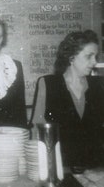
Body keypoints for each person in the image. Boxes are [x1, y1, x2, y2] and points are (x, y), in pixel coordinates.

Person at [31, 30, 104, 169]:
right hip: (60, 169)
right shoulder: (47, 84)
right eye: (89, 56)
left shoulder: (99, 86)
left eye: (96, 56)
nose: (94, 62)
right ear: (71, 57)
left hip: (96, 169)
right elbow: (36, 131)